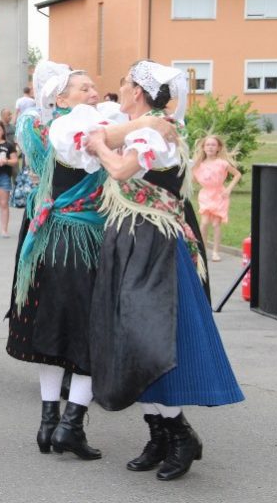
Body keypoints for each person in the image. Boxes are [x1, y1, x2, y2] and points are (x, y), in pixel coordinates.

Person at [84, 60, 244, 481]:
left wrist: (102, 145)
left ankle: (180, 434)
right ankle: (158, 434)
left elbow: (121, 169)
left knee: (151, 336)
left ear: (137, 91)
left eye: (124, 83)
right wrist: (115, 133)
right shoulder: (147, 126)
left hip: (153, 244)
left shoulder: (154, 133)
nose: (118, 88)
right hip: (133, 239)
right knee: (133, 336)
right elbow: (88, 136)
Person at [6, 62, 107, 461]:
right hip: (81, 239)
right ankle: (71, 425)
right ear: (61, 98)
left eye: (93, 86)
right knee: (89, 332)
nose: (93, 92)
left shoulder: (40, 128)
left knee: (50, 330)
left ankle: (48, 422)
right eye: (83, 88)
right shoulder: (83, 129)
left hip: (46, 237)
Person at [192, 135, 241, 261]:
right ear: (203, 148)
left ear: (218, 148)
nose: (210, 147)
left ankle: (215, 252)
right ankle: (202, 250)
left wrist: (228, 189)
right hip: (205, 195)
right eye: (208, 145)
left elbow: (237, 174)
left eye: (213, 145)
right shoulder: (198, 164)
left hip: (220, 195)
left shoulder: (222, 163)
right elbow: (193, 179)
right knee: (204, 222)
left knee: (216, 223)